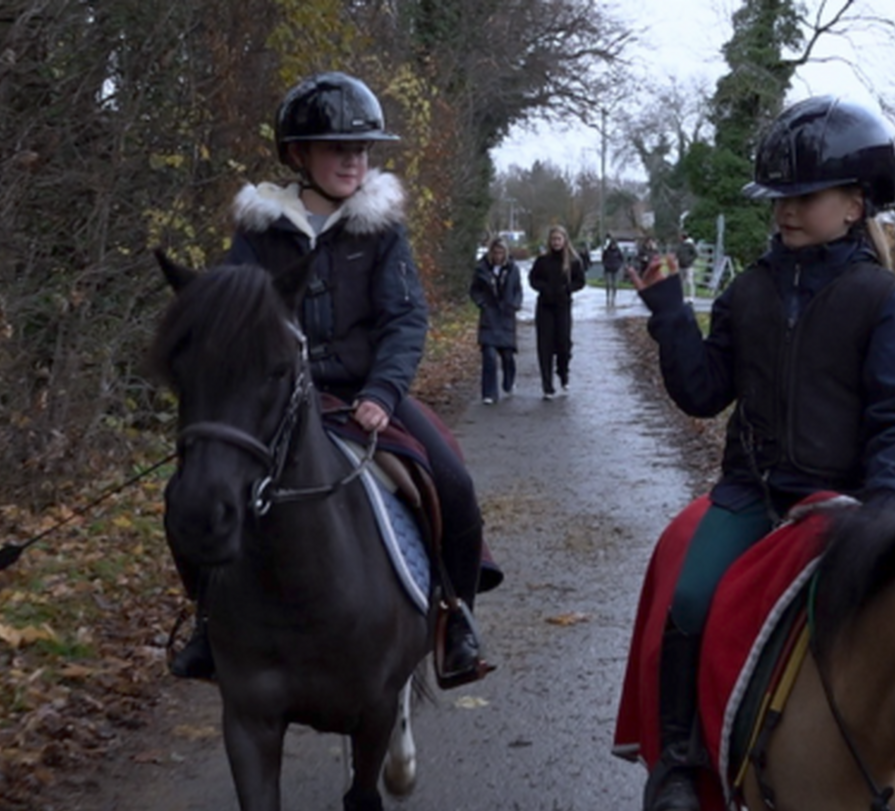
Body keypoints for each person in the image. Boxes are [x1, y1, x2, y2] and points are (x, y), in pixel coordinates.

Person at [629, 96, 895, 811]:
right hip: (750, 495)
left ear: (854, 203)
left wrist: (887, 506)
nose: (786, 214)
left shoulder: (883, 302)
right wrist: (670, 312)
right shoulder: (749, 292)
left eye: (803, 198)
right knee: (692, 597)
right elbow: (703, 394)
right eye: (778, 201)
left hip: (847, 506)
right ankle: (682, 765)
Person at [169, 71, 494, 688]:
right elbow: (232, 323)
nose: (354, 161)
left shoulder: (381, 229)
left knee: (452, 479)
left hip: (362, 398)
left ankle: (455, 617)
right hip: (274, 402)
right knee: (188, 492)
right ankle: (208, 621)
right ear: (298, 155)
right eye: (338, 148)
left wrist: (380, 393)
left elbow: (405, 319)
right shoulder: (258, 235)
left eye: (362, 149)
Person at [527, 224, 585, 398]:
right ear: (549, 241)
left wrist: (568, 288)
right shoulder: (542, 261)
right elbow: (533, 279)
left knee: (563, 344)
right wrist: (543, 288)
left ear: (565, 240)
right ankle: (547, 385)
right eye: (553, 239)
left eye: (559, 239)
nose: (556, 242)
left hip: (563, 306)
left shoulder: (573, 261)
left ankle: (563, 371)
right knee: (544, 346)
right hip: (545, 307)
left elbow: (580, 281)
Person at [471, 238, 522, 403]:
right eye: (495, 252)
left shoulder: (512, 270)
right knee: (489, 356)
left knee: (507, 355)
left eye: (501, 252)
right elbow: (474, 290)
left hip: (506, 316)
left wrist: (515, 304)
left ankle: (509, 381)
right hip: (489, 316)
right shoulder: (481, 269)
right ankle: (489, 393)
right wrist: (482, 303)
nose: (498, 256)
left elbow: (517, 290)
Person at [601, 238, 625, 311]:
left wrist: (619, 265)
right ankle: (608, 296)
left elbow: (622, 259)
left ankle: (613, 297)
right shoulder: (606, 251)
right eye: (612, 245)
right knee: (608, 284)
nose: (613, 246)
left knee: (615, 284)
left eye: (614, 245)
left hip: (615, 269)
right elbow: (603, 258)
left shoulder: (618, 251)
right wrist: (605, 265)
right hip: (608, 269)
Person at [675, 232, 698, 299]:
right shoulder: (680, 245)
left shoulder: (690, 245)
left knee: (689, 282)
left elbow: (695, 254)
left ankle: (691, 298)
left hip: (688, 266)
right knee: (681, 282)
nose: (679, 238)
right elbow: (677, 253)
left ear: (683, 237)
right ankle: (681, 296)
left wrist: (689, 260)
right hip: (681, 265)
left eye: (680, 237)